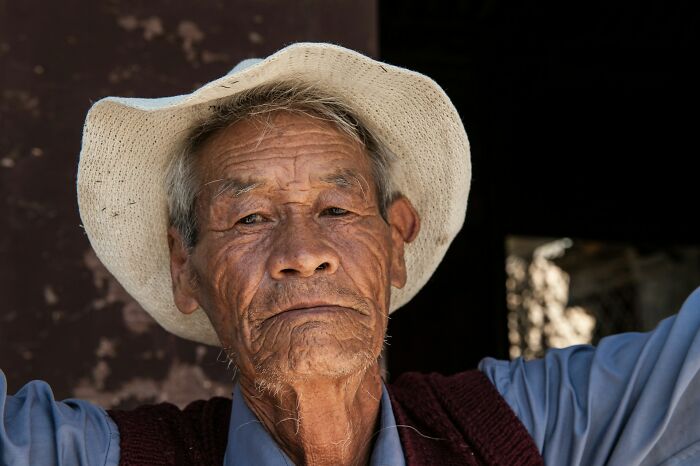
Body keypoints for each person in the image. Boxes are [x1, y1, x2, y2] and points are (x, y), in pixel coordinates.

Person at [1, 42, 699, 466]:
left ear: (397, 241)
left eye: (336, 210)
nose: (303, 254)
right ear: (186, 267)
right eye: (249, 217)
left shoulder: (533, 436)